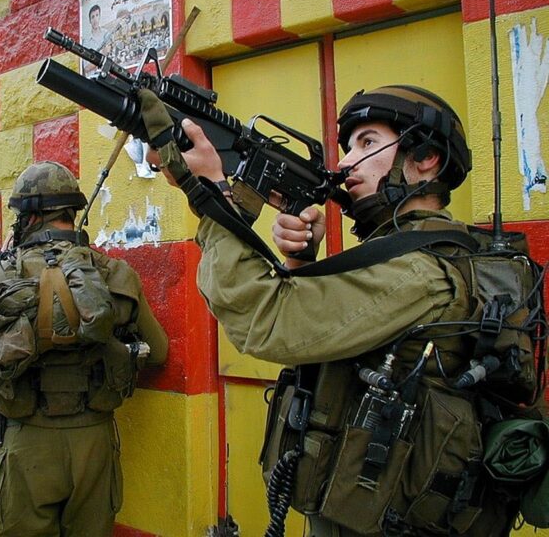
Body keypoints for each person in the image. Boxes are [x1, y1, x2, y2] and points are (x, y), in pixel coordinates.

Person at [146, 85, 524, 536]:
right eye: (348, 146)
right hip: (364, 507)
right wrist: (302, 264)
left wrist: (217, 197)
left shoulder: (420, 272)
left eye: (367, 142)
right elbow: (327, 342)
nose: (345, 162)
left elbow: (266, 325)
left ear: (426, 159)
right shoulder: (403, 256)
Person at [0, 161, 169, 536]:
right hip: (94, 441)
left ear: (29, 217)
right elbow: (159, 352)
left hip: (28, 439)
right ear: (71, 212)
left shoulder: (2, 273)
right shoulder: (114, 274)